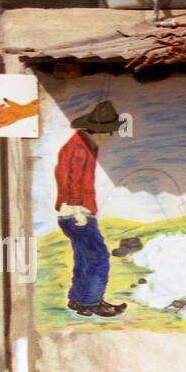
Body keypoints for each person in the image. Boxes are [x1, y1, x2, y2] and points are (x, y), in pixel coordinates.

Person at [54, 100, 127, 317]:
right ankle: (91, 302)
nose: (109, 136)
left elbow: (63, 174)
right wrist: (77, 208)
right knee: (98, 258)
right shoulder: (80, 147)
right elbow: (73, 178)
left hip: (73, 211)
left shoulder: (80, 144)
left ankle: (78, 301)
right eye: (108, 132)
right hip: (78, 212)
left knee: (85, 257)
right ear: (99, 131)